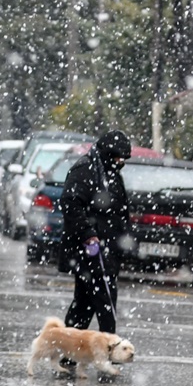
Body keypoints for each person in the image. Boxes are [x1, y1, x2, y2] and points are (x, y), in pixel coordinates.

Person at [59, 130, 131, 335]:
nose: (121, 162)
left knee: (85, 302)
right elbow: (70, 204)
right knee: (105, 300)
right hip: (91, 249)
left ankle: (69, 349)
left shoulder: (109, 173)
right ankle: (109, 347)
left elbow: (120, 210)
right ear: (108, 153)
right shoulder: (85, 170)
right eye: (118, 157)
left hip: (107, 247)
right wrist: (88, 234)